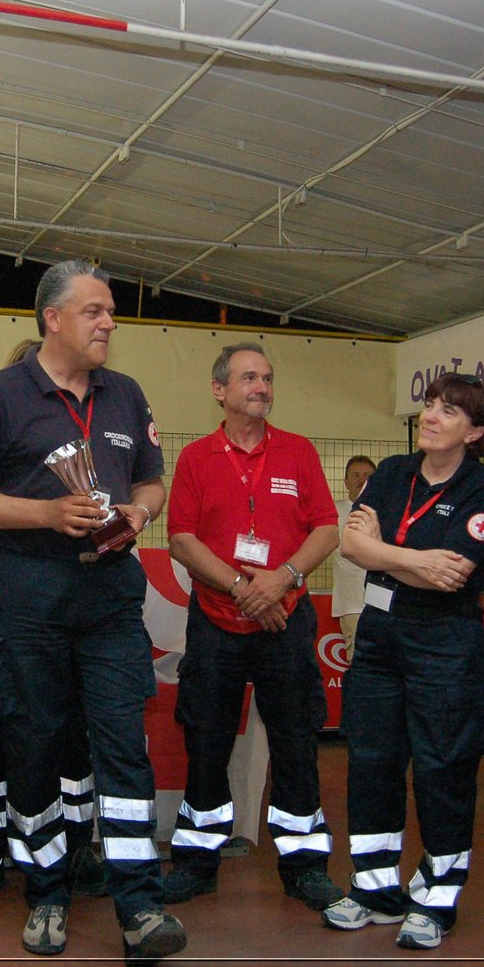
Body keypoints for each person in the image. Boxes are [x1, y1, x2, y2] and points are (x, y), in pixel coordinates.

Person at [0, 259, 186, 966]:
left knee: (121, 745)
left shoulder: (126, 394)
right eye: (95, 311)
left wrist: (141, 510)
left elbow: (150, 477)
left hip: (111, 596)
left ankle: (139, 903)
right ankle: (46, 891)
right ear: (53, 319)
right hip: (28, 595)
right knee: (36, 744)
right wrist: (48, 512)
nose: (109, 322)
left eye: (110, 312)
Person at [326, 372, 484, 950]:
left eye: (449, 411)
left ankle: (438, 897)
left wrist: (390, 556)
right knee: (373, 758)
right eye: (430, 405)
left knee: (443, 766)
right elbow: (352, 547)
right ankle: (375, 889)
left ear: (474, 432)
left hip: (445, 642)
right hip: (380, 634)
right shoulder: (391, 473)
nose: (431, 415)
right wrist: (416, 561)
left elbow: (453, 570)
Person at [163, 342, 343, 912]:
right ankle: (196, 861)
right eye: (248, 378)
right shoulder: (195, 457)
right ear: (220, 390)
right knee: (207, 740)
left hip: (285, 621)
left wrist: (282, 579)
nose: (261, 387)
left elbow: (327, 529)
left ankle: (305, 866)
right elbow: (182, 538)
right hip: (217, 623)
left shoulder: (299, 452)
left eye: (267, 378)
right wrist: (245, 590)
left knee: (295, 743)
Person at [0, 337, 107, 905]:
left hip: (75, 600)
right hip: (5, 602)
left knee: (73, 734)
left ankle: (77, 850)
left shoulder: (91, 433)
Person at [331, 456, 376, 652]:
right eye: (355, 475)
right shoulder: (332, 512)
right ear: (346, 482)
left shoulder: (389, 511)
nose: (361, 480)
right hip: (352, 605)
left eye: (367, 476)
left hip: (386, 606)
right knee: (359, 664)